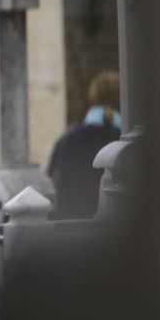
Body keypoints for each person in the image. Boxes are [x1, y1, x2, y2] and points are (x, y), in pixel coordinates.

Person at [47, 71, 123, 219]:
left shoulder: (67, 140)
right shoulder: (127, 141)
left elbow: (54, 185)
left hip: (73, 224)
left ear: (92, 99)